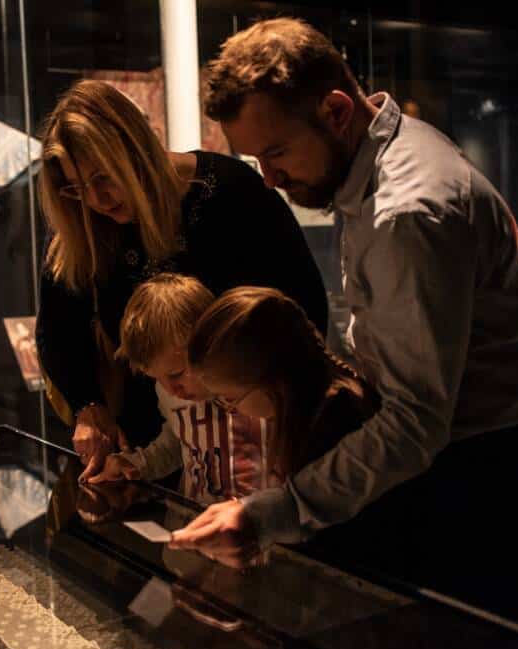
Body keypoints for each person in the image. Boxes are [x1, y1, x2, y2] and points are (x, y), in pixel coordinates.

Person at [169, 17, 518, 629]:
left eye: (277, 152)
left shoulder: (405, 212)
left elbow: (414, 422)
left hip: (493, 477)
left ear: (336, 110)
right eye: (257, 160)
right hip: (476, 464)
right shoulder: (382, 154)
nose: (272, 179)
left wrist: (272, 513)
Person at [35, 79, 328, 481]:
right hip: (144, 445)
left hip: (255, 435)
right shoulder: (82, 222)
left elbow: (303, 313)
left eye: (103, 177)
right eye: (76, 187)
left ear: (135, 149)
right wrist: (88, 406)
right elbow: (59, 327)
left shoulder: (232, 192)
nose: (96, 201)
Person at [86, 273, 273, 501]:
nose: (172, 390)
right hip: (194, 520)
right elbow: (178, 441)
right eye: (157, 378)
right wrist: (138, 464)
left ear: (209, 342)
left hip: (261, 526)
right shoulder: (169, 393)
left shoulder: (259, 392)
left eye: (177, 374)